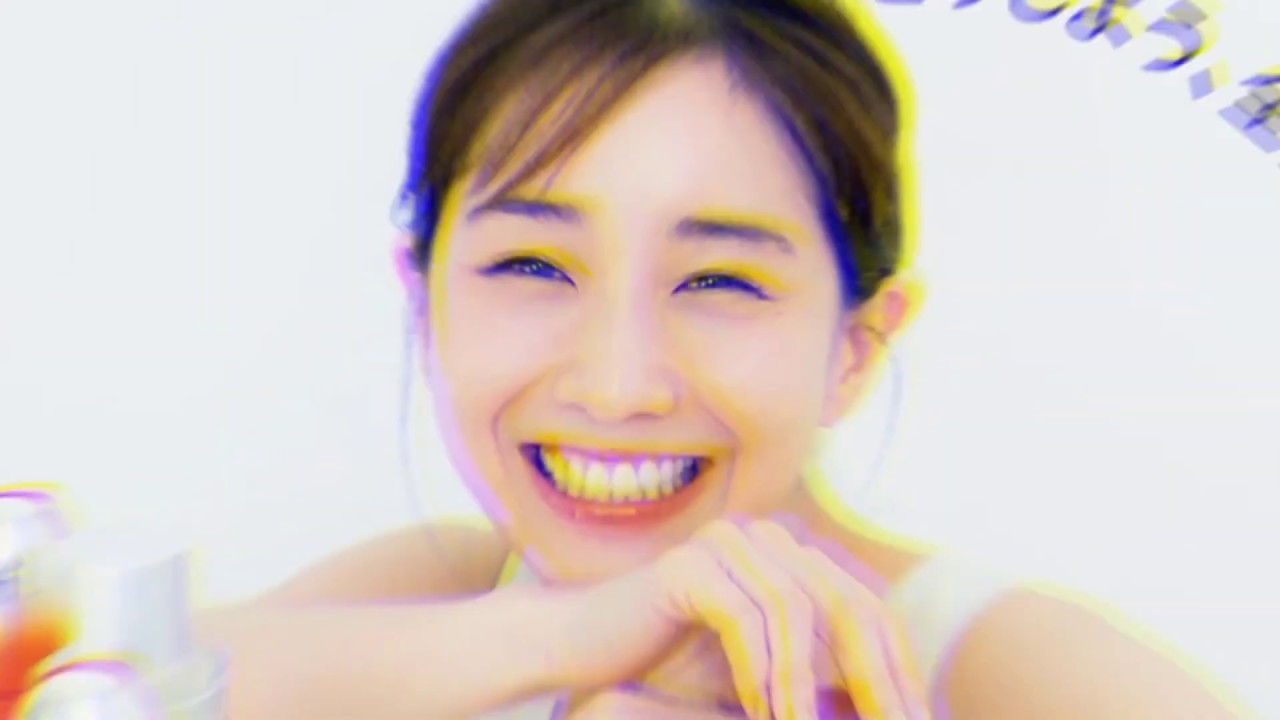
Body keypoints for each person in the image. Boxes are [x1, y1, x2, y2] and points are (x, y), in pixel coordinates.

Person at [196, 0, 1253, 718]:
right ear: (423, 300)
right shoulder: (441, 593)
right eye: (534, 265)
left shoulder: (1007, 667)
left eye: (720, 282)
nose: (618, 385)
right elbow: (113, 680)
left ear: (854, 347)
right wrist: (558, 637)